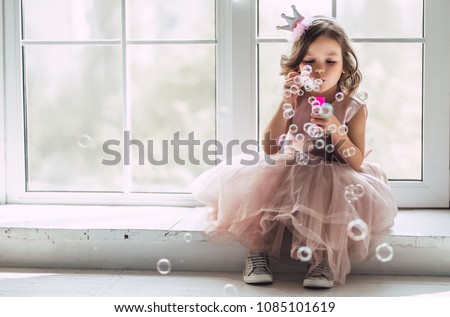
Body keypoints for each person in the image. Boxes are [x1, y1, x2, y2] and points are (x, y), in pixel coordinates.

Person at [189, 6, 398, 289]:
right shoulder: (296, 99)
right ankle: (257, 252)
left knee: (330, 187)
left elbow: (357, 161)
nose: (320, 69)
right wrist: (286, 104)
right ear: (297, 66)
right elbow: (270, 147)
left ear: (345, 66)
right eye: (310, 60)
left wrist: (336, 129)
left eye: (330, 61)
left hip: (334, 172)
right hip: (291, 165)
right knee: (261, 179)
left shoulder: (353, 108)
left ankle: (322, 260)